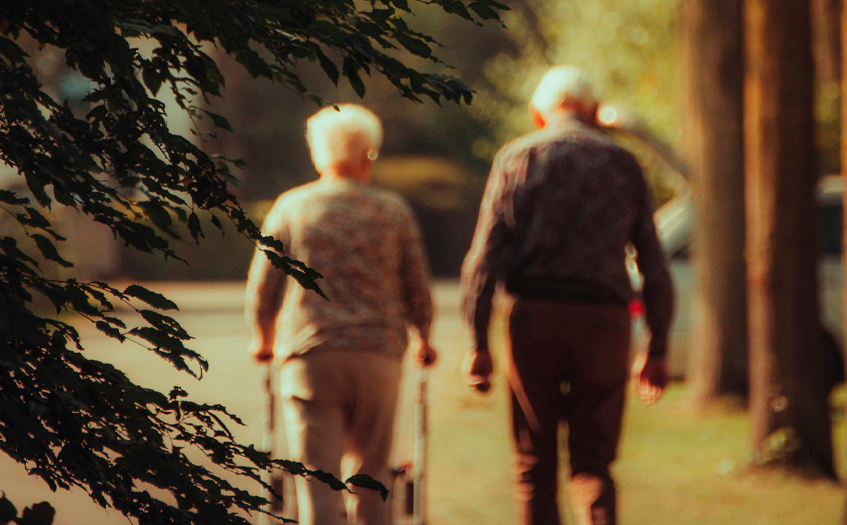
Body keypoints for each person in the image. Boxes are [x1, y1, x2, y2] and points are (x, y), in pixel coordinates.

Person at [460, 66, 674, 525]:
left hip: (532, 321)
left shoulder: (516, 158)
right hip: (604, 324)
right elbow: (654, 263)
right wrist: (656, 348)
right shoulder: (623, 163)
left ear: (539, 115)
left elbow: (484, 257)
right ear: (594, 112)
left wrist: (477, 342)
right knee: (593, 464)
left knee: (533, 464)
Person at [245, 104, 437, 525]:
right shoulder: (393, 210)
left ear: (318, 152)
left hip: (311, 357)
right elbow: (417, 288)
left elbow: (263, 288)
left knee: (316, 482)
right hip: (378, 355)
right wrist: (423, 338)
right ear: (370, 152)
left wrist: (263, 340)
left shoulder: (291, 207)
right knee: (372, 478)